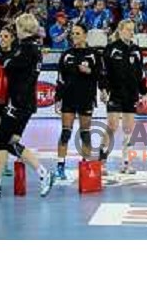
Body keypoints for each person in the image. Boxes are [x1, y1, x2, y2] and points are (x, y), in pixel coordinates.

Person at [0, 14, 54, 199]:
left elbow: (9, 65)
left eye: (17, 27)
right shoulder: (34, 47)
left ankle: (42, 173)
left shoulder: (27, 49)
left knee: (3, 139)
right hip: (23, 101)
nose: (15, 31)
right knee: (7, 141)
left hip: (19, 102)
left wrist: (5, 60)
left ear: (24, 29)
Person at [54, 23, 104, 180]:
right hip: (68, 98)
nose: (74, 36)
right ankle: (60, 166)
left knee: (85, 134)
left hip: (86, 98)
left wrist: (89, 71)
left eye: (77, 33)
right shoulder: (66, 54)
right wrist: (58, 98)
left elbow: (100, 76)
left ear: (85, 35)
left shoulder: (93, 54)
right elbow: (60, 79)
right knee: (65, 133)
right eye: (73, 34)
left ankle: (86, 164)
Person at [101, 19, 147, 175]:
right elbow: (104, 72)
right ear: (120, 31)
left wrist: (144, 91)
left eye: (132, 30)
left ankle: (126, 163)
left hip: (131, 93)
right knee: (112, 126)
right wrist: (103, 89)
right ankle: (102, 162)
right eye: (128, 29)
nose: (131, 32)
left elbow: (141, 73)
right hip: (115, 92)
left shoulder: (136, 50)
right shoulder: (111, 49)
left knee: (128, 129)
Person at [0, 27, 16, 176]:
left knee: (6, 132)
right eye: (0, 36)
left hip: (10, 97)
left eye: (5, 36)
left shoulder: (16, 54)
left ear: (12, 38)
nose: (2, 39)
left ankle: (3, 162)